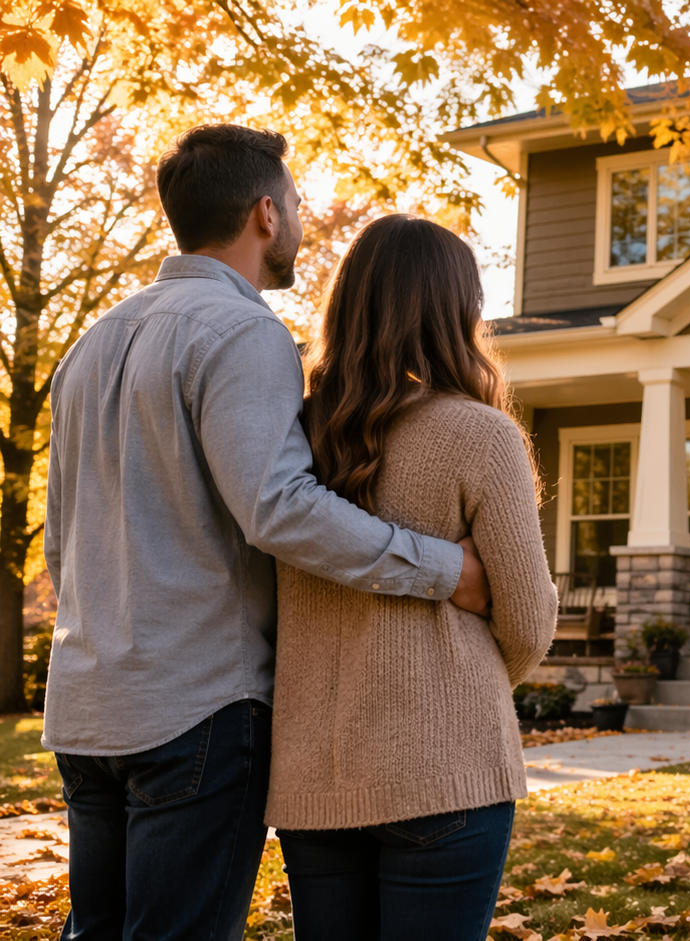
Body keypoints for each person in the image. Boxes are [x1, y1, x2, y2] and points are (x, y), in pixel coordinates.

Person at [42, 125, 493, 939]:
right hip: (197, 711)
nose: (299, 217)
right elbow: (280, 507)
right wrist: (441, 567)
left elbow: (59, 542)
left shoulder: (91, 342)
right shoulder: (243, 332)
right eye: (293, 202)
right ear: (264, 214)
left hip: (86, 707)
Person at [265, 214, 555, 939]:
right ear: (456, 309)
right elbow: (527, 623)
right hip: (445, 767)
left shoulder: (285, 440)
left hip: (313, 779)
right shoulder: (483, 435)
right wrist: (466, 677)